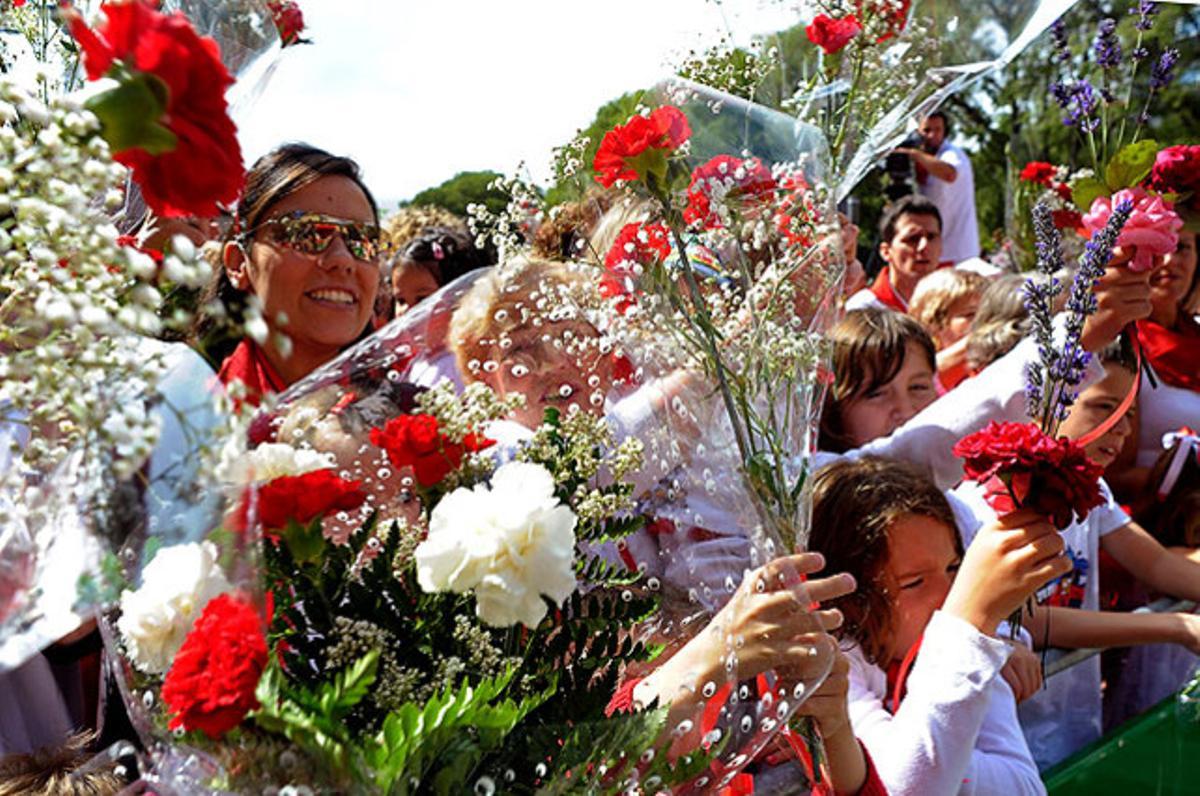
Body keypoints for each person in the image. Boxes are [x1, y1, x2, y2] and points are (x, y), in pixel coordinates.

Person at [954, 339, 1200, 769]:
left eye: (1129, 414)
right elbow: (1030, 621)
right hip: (1011, 739)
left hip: (1075, 722)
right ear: (1042, 401)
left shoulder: (1094, 487)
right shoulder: (990, 497)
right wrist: (1174, 626)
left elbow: (1156, 563)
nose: (1122, 430)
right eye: (1104, 407)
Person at [809, 456, 1064, 795]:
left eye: (955, 568)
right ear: (848, 601)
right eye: (914, 582)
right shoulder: (835, 663)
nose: (952, 596)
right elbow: (907, 788)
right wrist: (967, 629)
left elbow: (1024, 787)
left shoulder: (972, 650)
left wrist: (934, 759)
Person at [195, 143, 383, 406]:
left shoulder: (413, 413)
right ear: (238, 263)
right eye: (305, 233)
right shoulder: (185, 407)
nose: (343, 259)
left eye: (363, 240)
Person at [893, 110, 980, 264]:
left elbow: (950, 174)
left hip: (958, 252)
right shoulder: (922, 160)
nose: (932, 135)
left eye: (938, 130)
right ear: (917, 132)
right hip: (932, 252)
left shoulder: (952, 154)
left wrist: (914, 154)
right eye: (926, 130)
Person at [845, 196, 943, 313]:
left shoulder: (952, 307)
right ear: (886, 251)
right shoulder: (864, 309)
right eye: (913, 238)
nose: (924, 246)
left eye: (931, 237)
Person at [908, 268, 988, 389]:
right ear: (932, 323)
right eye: (970, 314)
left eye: (988, 312)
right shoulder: (913, 374)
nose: (984, 320)